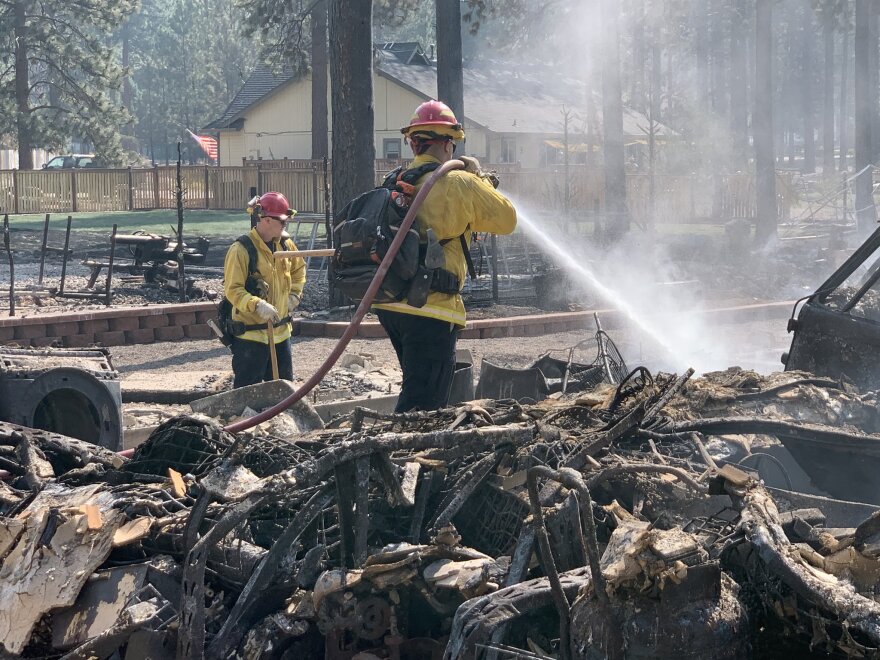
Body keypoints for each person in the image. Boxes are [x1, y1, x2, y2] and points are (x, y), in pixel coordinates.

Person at [374, 99, 517, 412]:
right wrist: (479, 180)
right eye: (452, 143)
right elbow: (507, 219)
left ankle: (401, 453)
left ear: (414, 143)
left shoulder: (397, 180)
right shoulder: (458, 182)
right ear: (445, 143)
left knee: (418, 384)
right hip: (430, 308)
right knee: (423, 404)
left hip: (392, 304)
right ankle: (401, 457)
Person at [223, 191, 306, 388]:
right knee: (248, 395)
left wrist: (294, 295)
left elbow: (299, 270)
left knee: (283, 393)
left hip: (281, 334)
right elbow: (233, 290)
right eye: (282, 222)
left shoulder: (286, 245)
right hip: (251, 336)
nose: (285, 226)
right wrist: (257, 304)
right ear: (267, 220)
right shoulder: (241, 249)